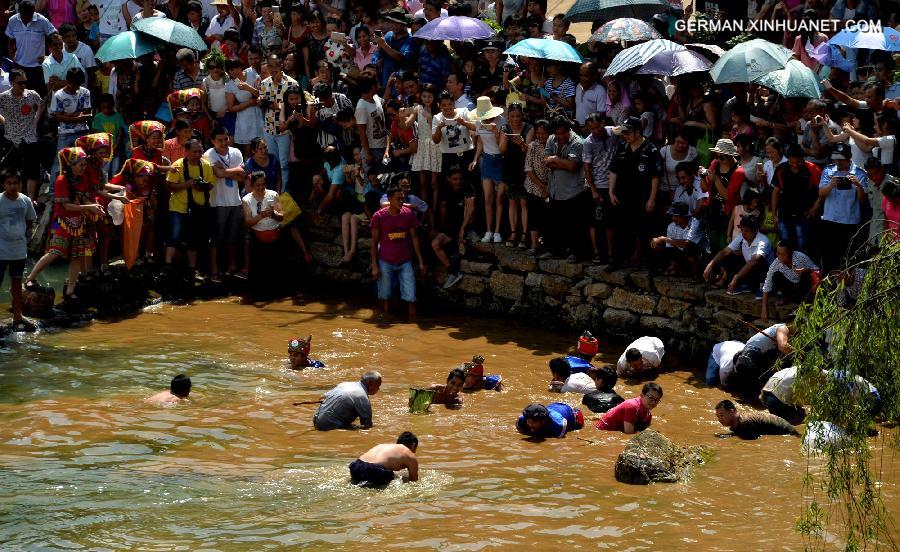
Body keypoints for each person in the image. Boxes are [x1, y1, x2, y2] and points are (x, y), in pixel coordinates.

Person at [608, 116, 662, 267]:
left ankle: (652, 264)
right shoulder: (622, 147)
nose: (625, 136)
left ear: (638, 132)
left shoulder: (651, 150)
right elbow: (613, 170)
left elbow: (655, 177)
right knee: (620, 229)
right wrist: (611, 192)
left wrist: (651, 199)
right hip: (622, 196)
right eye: (623, 133)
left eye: (628, 133)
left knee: (645, 231)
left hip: (642, 198)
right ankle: (617, 261)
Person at [370, 185, 425, 318]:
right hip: (385, 261)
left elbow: (414, 238)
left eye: (403, 198)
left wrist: (421, 262)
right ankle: (385, 321)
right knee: (385, 298)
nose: (401, 201)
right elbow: (374, 242)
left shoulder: (408, 214)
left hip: (405, 261)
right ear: (389, 199)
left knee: (411, 298)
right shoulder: (379, 216)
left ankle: (412, 325)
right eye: (398, 199)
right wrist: (375, 266)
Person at [541, 116, 588, 262]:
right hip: (555, 189)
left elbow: (572, 166)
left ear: (569, 130)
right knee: (556, 223)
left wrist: (554, 159)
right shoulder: (551, 139)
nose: (560, 136)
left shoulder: (578, 143)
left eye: (563, 133)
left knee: (575, 225)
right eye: (558, 133)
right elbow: (546, 161)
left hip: (573, 191)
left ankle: (577, 253)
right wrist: (561, 162)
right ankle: (555, 250)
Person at [818, 142, 868, 273]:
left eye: (841, 159)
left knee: (847, 258)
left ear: (849, 157)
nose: (838, 162)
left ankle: (847, 290)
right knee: (829, 258)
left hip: (849, 222)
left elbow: (863, 200)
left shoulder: (860, 173)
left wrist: (858, 185)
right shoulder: (828, 171)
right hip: (830, 221)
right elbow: (821, 193)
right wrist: (831, 185)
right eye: (836, 159)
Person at [204, 126, 245, 282]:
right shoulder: (209, 154)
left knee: (233, 236)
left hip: (235, 200)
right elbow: (220, 174)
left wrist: (225, 171)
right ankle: (214, 269)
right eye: (219, 140)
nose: (224, 142)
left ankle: (232, 266)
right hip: (217, 202)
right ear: (213, 141)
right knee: (217, 236)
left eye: (226, 139)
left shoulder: (236, 152)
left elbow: (242, 177)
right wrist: (234, 171)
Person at [0, 168, 38, 332]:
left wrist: (24, 238)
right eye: (9, 183)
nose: (12, 186)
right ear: (3, 184)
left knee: (16, 284)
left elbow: (30, 222)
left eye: (15, 182)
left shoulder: (25, 201)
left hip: (18, 250)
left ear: (20, 184)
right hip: (1, 250)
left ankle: (17, 315)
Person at [703, 215, 774, 296]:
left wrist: (736, 278)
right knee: (728, 256)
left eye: (747, 231)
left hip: (765, 273)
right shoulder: (741, 237)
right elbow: (725, 251)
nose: (743, 233)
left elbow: (753, 262)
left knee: (758, 261)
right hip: (750, 270)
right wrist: (709, 265)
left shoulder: (763, 241)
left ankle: (759, 287)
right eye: (742, 230)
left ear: (755, 230)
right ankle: (745, 284)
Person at [0, 69, 44, 200]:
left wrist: (36, 117)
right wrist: (4, 120)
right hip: (12, 139)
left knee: (32, 171)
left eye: (25, 82)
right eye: (20, 83)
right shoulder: (4, 97)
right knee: (13, 171)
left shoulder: (32, 95)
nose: (24, 85)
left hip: (30, 138)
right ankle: (14, 198)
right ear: (12, 82)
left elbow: (41, 104)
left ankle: (30, 200)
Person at [760, 240, 819, 323]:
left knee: (808, 276)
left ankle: (807, 301)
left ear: (791, 253)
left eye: (783, 254)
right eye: (778, 254)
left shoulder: (800, 257)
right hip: (790, 287)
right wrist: (764, 309)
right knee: (775, 276)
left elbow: (816, 270)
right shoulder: (775, 264)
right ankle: (787, 297)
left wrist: (806, 270)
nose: (780, 257)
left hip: (802, 286)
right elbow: (767, 286)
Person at [649, 201, 707, 278]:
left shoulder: (695, 224)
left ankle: (697, 274)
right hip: (681, 254)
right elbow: (670, 248)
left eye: (676, 216)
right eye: (673, 215)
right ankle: (672, 269)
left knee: (689, 249)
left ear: (684, 215)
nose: (673, 218)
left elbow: (687, 244)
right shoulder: (671, 226)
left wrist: (664, 238)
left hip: (700, 254)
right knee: (657, 246)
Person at [313, 371, 382, 431]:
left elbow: (322, 398)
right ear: (370, 384)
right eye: (378, 385)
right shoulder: (362, 397)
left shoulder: (344, 384)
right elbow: (367, 425)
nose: (378, 389)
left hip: (316, 421)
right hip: (329, 426)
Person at [349, 431, 419, 486]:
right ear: (413, 445)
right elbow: (413, 481)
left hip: (356, 467)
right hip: (375, 471)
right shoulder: (410, 454)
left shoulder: (383, 445)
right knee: (395, 478)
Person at [714, 399, 800, 440]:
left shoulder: (744, 423)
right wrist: (728, 435)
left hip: (788, 433)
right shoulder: (740, 420)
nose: (719, 419)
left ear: (732, 412)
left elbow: (752, 443)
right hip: (787, 429)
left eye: (721, 415)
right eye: (717, 416)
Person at [595, 382, 662, 434]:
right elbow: (629, 433)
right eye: (651, 398)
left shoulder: (648, 415)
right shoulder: (632, 406)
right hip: (603, 430)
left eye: (657, 400)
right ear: (642, 395)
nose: (653, 402)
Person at [515, 402, 584, 439]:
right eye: (529, 421)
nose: (530, 424)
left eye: (534, 422)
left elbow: (559, 440)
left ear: (543, 421)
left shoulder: (559, 425)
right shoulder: (522, 421)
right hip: (553, 407)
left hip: (572, 414)